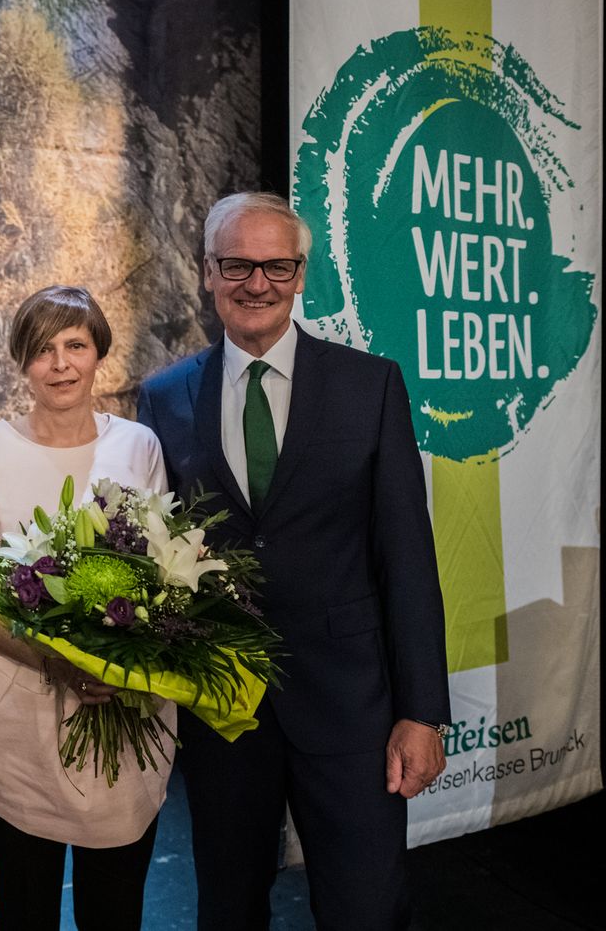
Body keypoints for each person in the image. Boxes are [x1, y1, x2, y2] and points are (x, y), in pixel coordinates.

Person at [137, 191, 451, 930]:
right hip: (223, 712)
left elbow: (408, 557)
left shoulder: (370, 385)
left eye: (276, 266)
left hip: (351, 709)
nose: (257, 283)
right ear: (207, 271)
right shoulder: (164, 397)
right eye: (237, 265)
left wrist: (422, 712)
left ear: (301, 273)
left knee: (366, 909)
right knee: (228, 909)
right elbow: (156, 553)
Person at [0, 286, 176, 930]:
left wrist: (117, 660)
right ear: (21, 362)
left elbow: (166, 577)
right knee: (24, 907)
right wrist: (55, 660)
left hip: (124, 716)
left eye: (75, 345)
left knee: (114, 909)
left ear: (98, 353)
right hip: (19, 725)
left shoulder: (139, 446)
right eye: (42, 349)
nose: (60, 364)